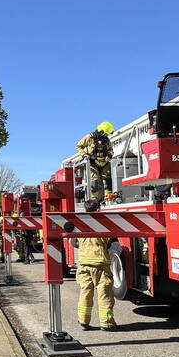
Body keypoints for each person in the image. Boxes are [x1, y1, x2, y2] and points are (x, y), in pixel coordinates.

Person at [74, 199, 117, 331]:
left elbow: (74, 243)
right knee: (104, 294)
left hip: (83, 265)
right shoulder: (102, 224)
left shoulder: (80, 224)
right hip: (100, 265)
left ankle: (83, 321)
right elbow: (109, 242)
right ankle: (106, 323)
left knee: (85, 293)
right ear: (98, 209)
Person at [76, 122, 114, 200]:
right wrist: (84, 155)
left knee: (107, 181)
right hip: (93, 164)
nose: (107, 136)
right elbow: (78, 146)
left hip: (105, 164)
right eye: (106, 134)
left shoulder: (106, 140)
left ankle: (108, 199)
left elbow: (110, 150)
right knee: (94, 182)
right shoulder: (89, 137)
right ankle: (94, 200)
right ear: (101, 132)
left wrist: (109, 155)